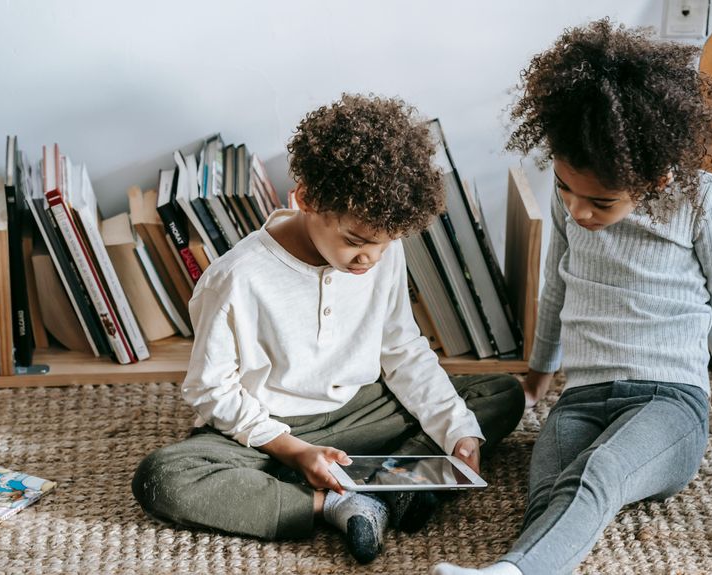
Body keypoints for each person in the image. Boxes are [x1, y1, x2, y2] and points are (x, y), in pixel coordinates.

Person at [432, 20, 712, 575]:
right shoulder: (572, 200)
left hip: (670, 403)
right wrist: (539, 375)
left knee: (599, 473)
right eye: (566, 188)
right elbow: (557, 287)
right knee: (549, 493)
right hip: (581, 398)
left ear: (655, 179)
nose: (578, 209)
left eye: (601, 202)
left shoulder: (703, 198)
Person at [131, 94, 524, 565]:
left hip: (359, 412)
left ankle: (384, 482)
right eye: (356, 243)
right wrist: (294, 451)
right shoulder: (237, 277)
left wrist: (455, 429)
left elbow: (401, 348)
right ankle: (339, 501)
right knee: (165, 477)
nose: (370, 260)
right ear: (307, 199)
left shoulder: (379, 250)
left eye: (384, 245)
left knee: (500, 393)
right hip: (272, 428)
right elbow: (210, 390)